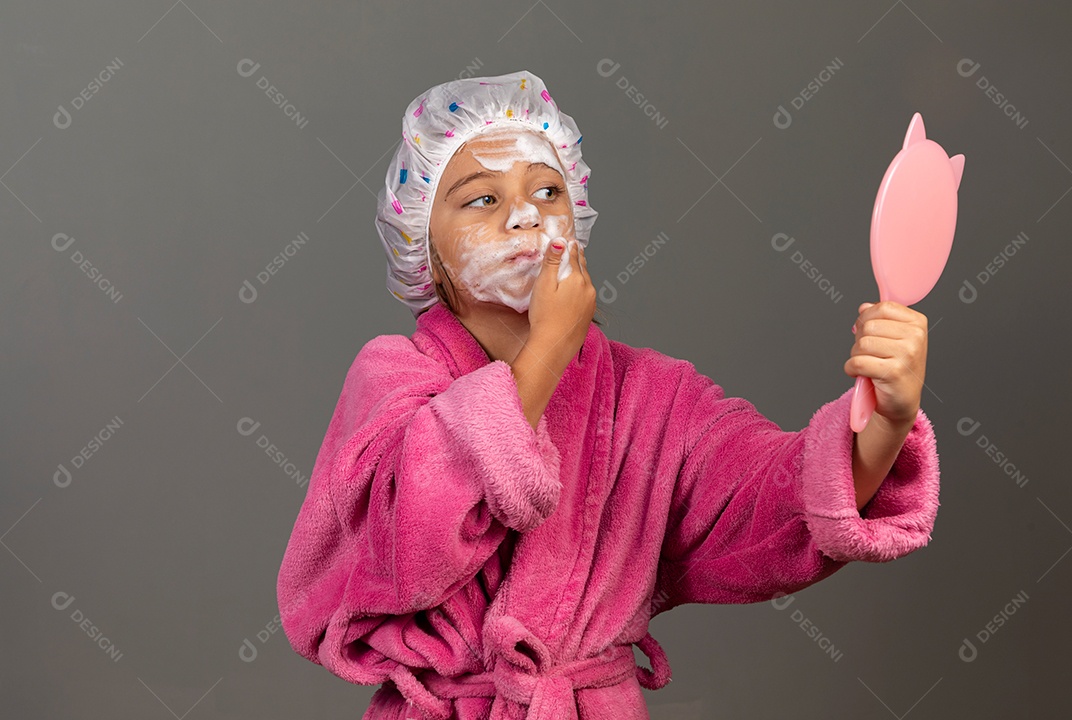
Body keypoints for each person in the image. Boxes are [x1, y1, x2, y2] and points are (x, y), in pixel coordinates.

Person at [276, 70, 941, 720]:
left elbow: (771, 502)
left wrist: (883, 422)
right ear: (425, 242)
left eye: (546, 191)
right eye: (482, 198)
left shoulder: (650, 397)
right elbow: (400, 547)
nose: (524, 216)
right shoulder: (391, 377)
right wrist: (547, 353)